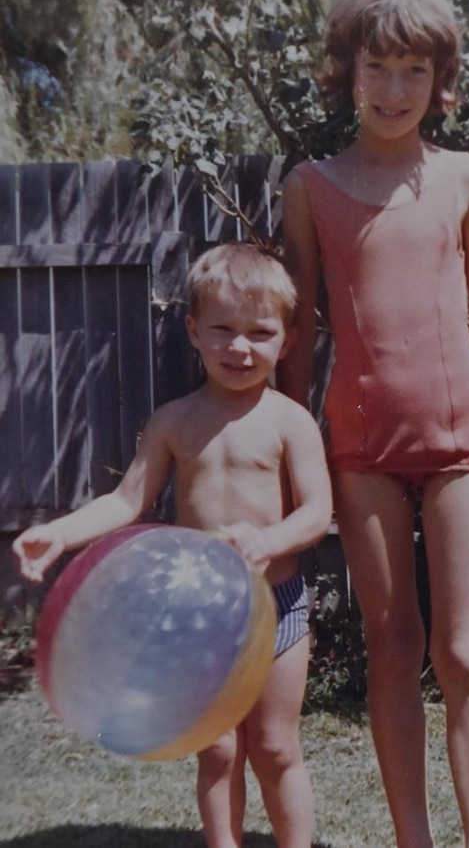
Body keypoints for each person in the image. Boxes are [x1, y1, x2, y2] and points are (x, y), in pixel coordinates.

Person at [278, 0, 469, 847]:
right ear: (345, 72)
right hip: (359, 445)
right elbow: (298, 331)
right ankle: (412, 838)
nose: (393, 89)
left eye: (412, 70)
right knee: (392, 643)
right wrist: (287, 447)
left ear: (441, 78)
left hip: (464, 435)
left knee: (464, 650)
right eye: (376, 67)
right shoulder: (309, 186)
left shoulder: (466, 177)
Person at [13, 242, 333, 848]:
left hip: (278, 605)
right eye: (223, 330)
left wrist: (269, 541)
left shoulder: (290, 421)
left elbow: (318, 511)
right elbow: (126, 502)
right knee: (216, 747)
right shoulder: (173, 421)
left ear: (286, 341)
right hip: (199, 618)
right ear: (193, 330)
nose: (240, 347)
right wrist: (57, 533)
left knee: (273, 745)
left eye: (259, 333)